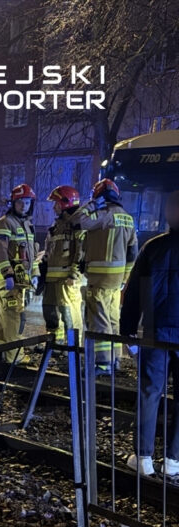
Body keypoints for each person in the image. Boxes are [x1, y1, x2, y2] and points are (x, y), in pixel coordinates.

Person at [119, 190, 179, 476]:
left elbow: (133, 294)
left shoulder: (153, 248)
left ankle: (143, 458)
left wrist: (127, 330)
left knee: (149, 393)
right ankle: (174, 460)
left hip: (155, 331)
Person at [68, 178, 138, 374]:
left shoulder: (104, 215)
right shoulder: (127, 218)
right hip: (117, 279)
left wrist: (92, 205)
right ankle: (115, 360)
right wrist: (125, 278)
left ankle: (103, 363)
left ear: (100, 197)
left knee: (99, 320)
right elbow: (132, 252)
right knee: (113, 319)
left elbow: (76, 221)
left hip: (100, 277)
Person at [0, 183, 39, 362]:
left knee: (6, 316)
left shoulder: (27, 225)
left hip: (19, 280)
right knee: (14, 317)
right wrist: (8, 274)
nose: (24, 206)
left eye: (27, 202)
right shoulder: (4, 223)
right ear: (13, 203)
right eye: (20, 202)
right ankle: (14, 357)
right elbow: (1, 251)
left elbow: (32, 254)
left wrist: (35, 274)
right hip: (8, 281)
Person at [41, 185, 85, 344]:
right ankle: (54, 343)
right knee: (50, 311)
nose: (54, 207)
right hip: (51, 279)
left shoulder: (76, 224)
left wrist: (74, 274)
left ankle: (73, 347)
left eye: (56, 203)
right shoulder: (56, 227)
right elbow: (49, 252)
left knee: (69, 313)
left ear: (65, 203)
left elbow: (81, 249)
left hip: (67, 279)